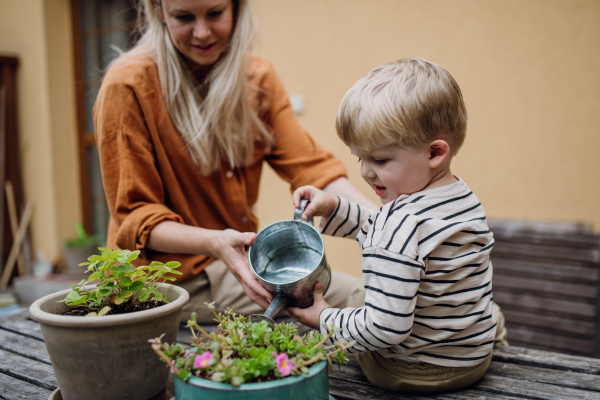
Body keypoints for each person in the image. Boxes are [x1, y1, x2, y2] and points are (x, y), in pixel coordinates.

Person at [93, 0, 377, 323]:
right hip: (169, 280)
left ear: (237, 8)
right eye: (184, 17)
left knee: (368, 295)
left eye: (215, 13)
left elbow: (312, 170)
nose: (202, 32)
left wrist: (387, 223)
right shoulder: (127, 86)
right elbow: (137, 219)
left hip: (235, 262)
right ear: (159, 11)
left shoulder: (258, 78)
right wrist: (215, 243)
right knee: (361, 307)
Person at [286, 58, 508, 394]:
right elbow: (402, 236)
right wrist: (335, 207)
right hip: (473, 358)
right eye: (360, 158)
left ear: (434, 152)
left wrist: (323, 317)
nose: (364, 172)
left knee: (359, 298)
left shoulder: (396, 222)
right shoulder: (462, 197)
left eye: (379, 159)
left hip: (410, 371)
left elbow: (384, 328)